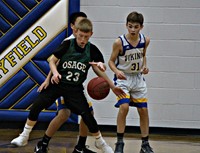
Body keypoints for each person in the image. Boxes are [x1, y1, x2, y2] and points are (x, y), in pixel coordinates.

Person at [11, 12, 96, 153]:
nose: (81, 27)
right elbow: (55, 62)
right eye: (79, 24)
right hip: (61, 84)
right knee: (64, 114)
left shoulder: (85, 43)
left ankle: (80, 147)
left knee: (89, 114)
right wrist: (48, 79)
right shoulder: (68, 42)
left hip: (74, 85)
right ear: (73, 27)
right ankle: (43, 144)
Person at [108, 11, 154, 153]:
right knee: (124, 107)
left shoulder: (145, 40)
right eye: (130, 26)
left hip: (138, 79)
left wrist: (145, 66)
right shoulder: (119, 42)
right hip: (123, 79)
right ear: (126, 25)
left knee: (143, 110)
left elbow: (143, 55)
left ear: (141, 27)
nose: (132, 30)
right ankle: (119, 142)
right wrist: (116, 71)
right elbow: (110, 62)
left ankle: (145, 144)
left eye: (136, 27)